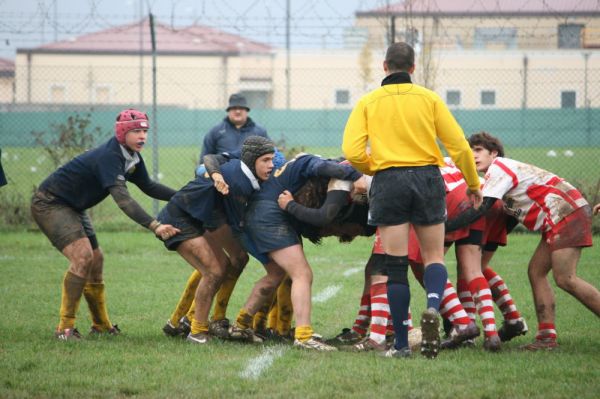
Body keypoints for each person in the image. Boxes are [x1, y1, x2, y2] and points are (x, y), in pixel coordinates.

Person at [342, 42, 482, 359]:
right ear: (413, 68)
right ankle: (433, 307)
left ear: (384, 66)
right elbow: (459, 145)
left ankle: (402, 345)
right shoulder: (429, 99)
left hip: (389, 181)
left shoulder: (368, 101)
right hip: (428, 179)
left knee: (396, 267)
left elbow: (351, 151)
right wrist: (473, 183)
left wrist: (373, 168)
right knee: (434, 257)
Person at [30, 108, 180, 340]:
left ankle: (100, 324)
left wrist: (184, 197)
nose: (142, 136)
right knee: (82, 257)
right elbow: (123, 200)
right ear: (122, 133)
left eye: (144, 131)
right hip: (51, 203)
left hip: (74, 207)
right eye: (136, 131)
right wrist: (154, 225)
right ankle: (65, 328)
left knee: (96, 260)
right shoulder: (110, 156)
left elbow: (149, 187)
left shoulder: (131, 157)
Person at [448, 131, 600, 350]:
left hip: (565, 214)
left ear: (494, 153)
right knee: (536, 272)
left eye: (478, 150)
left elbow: (483, 207)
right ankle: (546, 337)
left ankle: (543, 336)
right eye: (470, 151)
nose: (473, 156)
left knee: (566, 279)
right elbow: (509, 217)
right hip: (559, 217)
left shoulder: (499, 168)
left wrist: (443, 227)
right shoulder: (495, 174)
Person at [221, 153, 363, 351]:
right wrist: (356, 175)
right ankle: (304, 337)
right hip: (270, 217)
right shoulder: (309, 161)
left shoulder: (291, 168)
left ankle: (241, 325)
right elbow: (329, 169)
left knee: (275, 274)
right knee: (302, 274)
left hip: (259, 216)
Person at [157, 136, 276, 344]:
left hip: (201, 216)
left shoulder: (245, 165)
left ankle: (209, 321)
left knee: (234, 260)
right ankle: (196, 331)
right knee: (214, 271)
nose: (271, 165)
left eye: (272, 160)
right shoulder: (239, 184)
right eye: (265, 160)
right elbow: (239, 226)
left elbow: (210, 159)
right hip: (180, 219)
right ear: (252, 160)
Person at [200, 93, 269, 159]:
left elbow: (270, 155)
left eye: (241, 108)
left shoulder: (259, 132)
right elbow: (205, 158)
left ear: (246, 111)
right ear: (228, 111)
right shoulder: (215, 131)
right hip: (221, 171)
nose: (238, 111)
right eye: (234, 108)